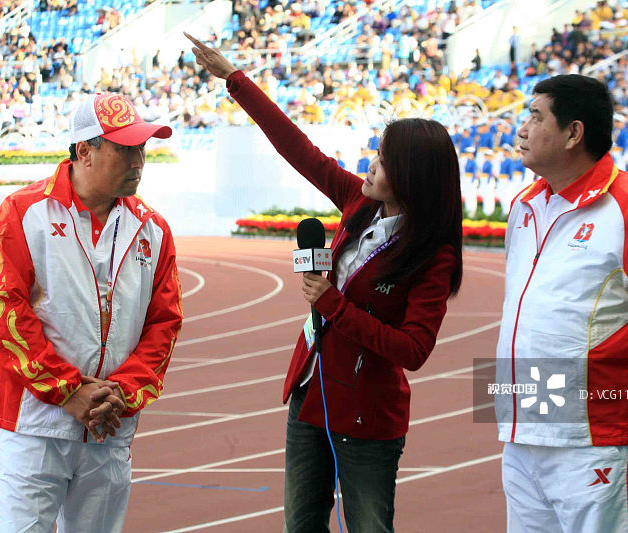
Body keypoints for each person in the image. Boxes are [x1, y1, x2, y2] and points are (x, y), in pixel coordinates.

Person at [186, 33, 463, 532]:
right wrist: (234, 79)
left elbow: (414, 349)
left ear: (411, 176)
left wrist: (333, 304)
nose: (369, 163)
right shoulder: (359, 202)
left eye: (382, 159)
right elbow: (298, 148)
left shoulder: (432, 255)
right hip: (309, 395)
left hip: (366, 415)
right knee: (301, 526)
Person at [495, 74, 628, 532]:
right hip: (522, 432)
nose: (521, 128)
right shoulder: (526, 206)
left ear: (574, 133)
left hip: (595, 438)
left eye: (535, 117)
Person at [0, 92, 183, 532]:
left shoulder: (154, 229)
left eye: (142, 148)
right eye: (125, 149)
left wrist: (121, 394)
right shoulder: (21, 215)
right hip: (34, 427)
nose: (138, 160)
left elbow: (164, 324)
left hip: (109, 427)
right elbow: (5, 314)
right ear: (85, 151)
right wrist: (68, 391)